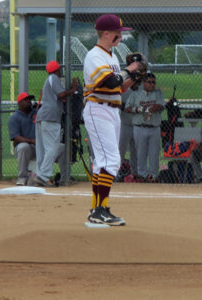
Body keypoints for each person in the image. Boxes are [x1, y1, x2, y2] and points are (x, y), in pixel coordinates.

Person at [83, 14, 141, 226]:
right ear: (106, 34)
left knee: (102, 163)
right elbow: (108, 82)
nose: (121, 37)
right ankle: (100, 210)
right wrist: (129, 70)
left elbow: (119, 87)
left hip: (111, 110)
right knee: (111, 160)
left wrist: (134, 77)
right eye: (118, 33)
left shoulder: (111, 57)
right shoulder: (94, 56)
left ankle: (98, 209)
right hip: (98, 109)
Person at [34, 60, 78, 187]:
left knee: (42, 149)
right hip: (50, 117)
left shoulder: (50, 79)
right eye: (60, 69)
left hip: (44, 116)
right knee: (52, 148)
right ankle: (43, 176)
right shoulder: (53, 77)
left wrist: (68, 89)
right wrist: (73, 89)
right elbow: (61, 94)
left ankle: (40, 175)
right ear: (57, 70)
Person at [125, 71, 165, 182]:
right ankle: (142, 175)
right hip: (139, 127)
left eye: (154, 82)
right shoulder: (135, 94)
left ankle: (153, 175)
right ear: (143, 83)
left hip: (154, 127)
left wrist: (150, 110)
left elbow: (160, 105)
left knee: (154, 153)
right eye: (150, 82)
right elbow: (127, 108)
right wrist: (138, 109)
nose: (152, 85)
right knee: (140, 153)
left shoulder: (158, 93)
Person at [8, 92, 37, 186]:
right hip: (24, 148)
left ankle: (61, 178)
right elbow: (15, 137)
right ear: (19, 103)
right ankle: (22, 178)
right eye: (26, 100)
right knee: (24, 146)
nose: (29, 101)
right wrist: (31, 141)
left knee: (61, 148)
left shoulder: (37, 113)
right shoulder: (14, 117)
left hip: (38, 147)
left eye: (30, 99)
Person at [117, 82, 140, 181]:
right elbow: (118, 102)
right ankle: (116, 173)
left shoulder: (143, 86)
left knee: (136, 151)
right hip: (124, 123)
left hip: (137, 124)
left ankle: (135, 174)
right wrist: (126, 107)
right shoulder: (124, 85)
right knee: (120, 150)